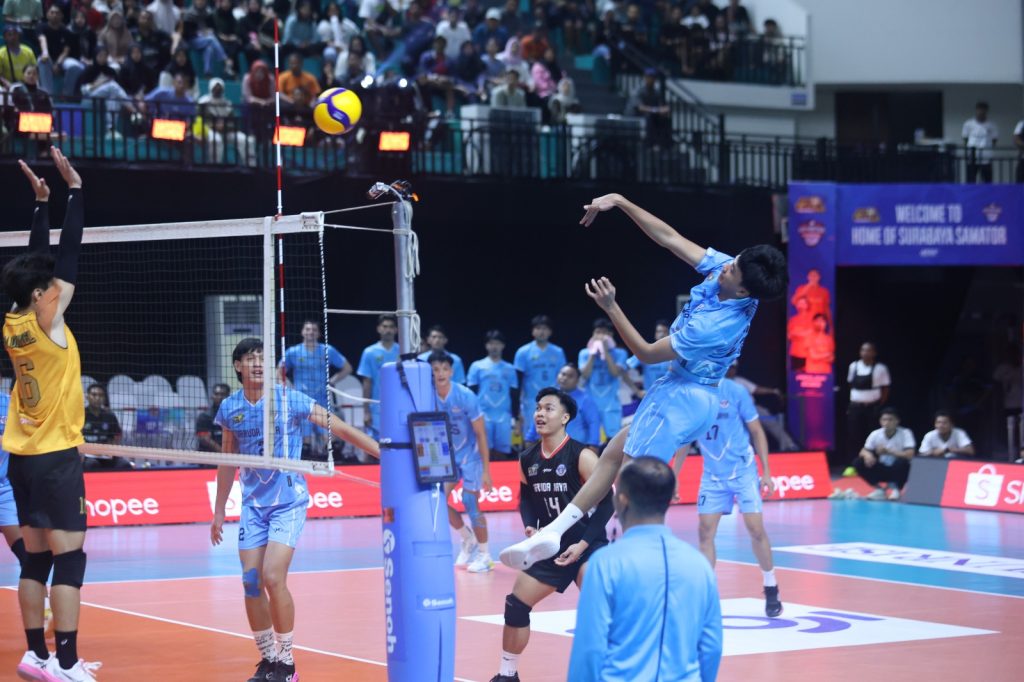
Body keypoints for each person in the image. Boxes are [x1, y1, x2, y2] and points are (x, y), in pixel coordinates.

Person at [501, 192, 787, 570]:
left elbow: (648, 353)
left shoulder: (716, 326)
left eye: (732, 271)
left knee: (632, 487)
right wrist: (620, 201)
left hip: (685, 398)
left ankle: (645, 565)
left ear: (744, 290)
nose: (725, 268)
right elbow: (670, 238)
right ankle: (555, 531)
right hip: (681, 390)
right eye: (732, 262)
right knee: (612, 455)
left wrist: (611, 307)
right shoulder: (732, 272)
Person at [210, 338, 379, 682]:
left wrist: (383, 453)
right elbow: (227, 461)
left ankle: (286, 664)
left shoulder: (289, 398)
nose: (257, 363)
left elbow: (338, 426)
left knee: (273, 577)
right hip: (253, 506)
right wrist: (218, 511)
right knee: (251, 582)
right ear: (238, 366)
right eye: (250, 358)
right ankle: (268, 660)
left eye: (262, 357)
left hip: (288, 502)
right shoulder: (230, 408)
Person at [2, 148, 98, 680]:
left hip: (21, 459)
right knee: (70, 560)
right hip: (56, 457)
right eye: (51, 289)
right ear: (43, 297)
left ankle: (35, 655)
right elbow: (67, 257)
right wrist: (75, 192)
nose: (58, 288)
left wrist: (41, 204)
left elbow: (35, 266)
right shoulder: (50, 322)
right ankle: (65, 662)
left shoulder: (13, 321)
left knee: (36, 560)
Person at [489, 388, 613, 682]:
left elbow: (608, 502)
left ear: (565, 417)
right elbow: (525, 498)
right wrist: (530, 526)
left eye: (548, 408)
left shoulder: (582, 455)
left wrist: (583, 544)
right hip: (549, 547)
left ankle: (614, 672)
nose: (540, 414)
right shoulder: (527, 458)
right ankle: (507, 674)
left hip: (587, 544)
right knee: (516, 605)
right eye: (538, 408)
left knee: (602, 610)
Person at [567, 457, 723, 681]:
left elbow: (590, 648)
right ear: (669, 499)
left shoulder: (605, 564)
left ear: (622, 500)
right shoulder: (699, 565)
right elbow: (711, 647)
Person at [691, 375, 782, 617]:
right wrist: (675, 476)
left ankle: (771, 586)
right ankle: (707, 595)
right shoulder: (691, 392)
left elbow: (756, 430)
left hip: (743, 470)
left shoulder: (735, 391)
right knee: (705, 532)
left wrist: (767, 472)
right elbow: (684, 439)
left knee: (755, 529)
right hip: (712, 474)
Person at [430, 351, 494, 573]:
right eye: (435, 369)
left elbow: (481, 434)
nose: (440, 373)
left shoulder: (465, 396)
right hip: (445, 456)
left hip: (470, 455)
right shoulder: (427, 396)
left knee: (470, 502)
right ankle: (467, 537)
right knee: (436, 500)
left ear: (451, 371)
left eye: (444, 369)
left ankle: (485, 555)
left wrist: (486, 471)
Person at [280, 319, 351, 458]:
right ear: (302, 332)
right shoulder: (293, 352)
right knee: (304, 445)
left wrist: (332, 381)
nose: (310, 332)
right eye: (307, 329)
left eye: (314, 330)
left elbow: (347, 368)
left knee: (331, 443)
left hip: (322, 400)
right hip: (301, 401)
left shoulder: (327, 350)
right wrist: (288, 387)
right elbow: (279, 371)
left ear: (318, 333)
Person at [514, 315, 567, 443]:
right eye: (538, 328)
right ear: (533, 331)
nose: (542, 332)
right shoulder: (523, 352)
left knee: (554, 438)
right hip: (530, 403)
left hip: (554, 403)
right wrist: (517, 410)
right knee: (530, 440)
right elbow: (517, 382)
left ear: (550, 332)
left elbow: (563, 379)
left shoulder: (558, 352)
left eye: (545, 328)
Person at [467, 331, 519, 460]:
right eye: (491, 343)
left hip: (504, 416)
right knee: (484, 450)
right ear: (486, 345)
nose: (494, 347)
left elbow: (514, 395)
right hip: (483, 415)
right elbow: (471, 393)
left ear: (503, 345)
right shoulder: (477, 366)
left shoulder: (510, 368)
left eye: (497, 343)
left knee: (502, 452)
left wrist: (516, 417)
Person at [578, 318, 630, 444]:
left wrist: (605, 352)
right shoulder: (584, 353)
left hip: (611, 404)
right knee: (590, 441)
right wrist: (592, 353)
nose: (601, 336)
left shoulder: (620, 353)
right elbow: (584, 375)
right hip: (591, 403)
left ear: (611, 335)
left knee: (613, 441)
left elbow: (615, 373)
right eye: (598, 332)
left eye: (605, 333)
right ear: (593, 334)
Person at [852, 407, 914, 501]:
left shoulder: (905, 433)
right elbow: (863, 451)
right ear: (880, 421)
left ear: (897, 421)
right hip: (882, 467)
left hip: (899, 469)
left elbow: (910, 454)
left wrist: (890, 452)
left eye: (890, 420)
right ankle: (879, 490)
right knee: (858, 462)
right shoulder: (875, 434)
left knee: (903, 462)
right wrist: (868, 455)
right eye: (884, 420)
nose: (887, 422)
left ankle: (896, 489)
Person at [845, 341, 890, 467]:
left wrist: (879, 404)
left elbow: (885, 388)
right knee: (854, 435)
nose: (865, 353)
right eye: (863, 350)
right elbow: (850, 384)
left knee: (873, 435)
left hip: (873, 407)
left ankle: (874, 463)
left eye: (869, 350)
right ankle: (854, 464)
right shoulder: (853, 366)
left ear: (874, 353)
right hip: (856, 407)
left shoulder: (880, 368)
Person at [356, 314, 399, 438]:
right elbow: (367, 383)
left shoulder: (403, 351)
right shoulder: (369, 352)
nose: (388, 330)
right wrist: (366, 411)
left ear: (396, 330)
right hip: (377, 408)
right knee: (375, 445)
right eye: (385, 326)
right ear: (378, 329)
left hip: (399, 405)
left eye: (391, 327)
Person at [555, 364, 601, 450]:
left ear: (577, 380)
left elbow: (593, 423)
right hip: (552, 448)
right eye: (563, 374)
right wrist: (530, 438)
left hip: (577, 449)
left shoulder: (585, 400)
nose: (565, 378)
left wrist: (593, 445)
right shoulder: (549, 397)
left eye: (570, 376)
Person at [81, 383, 125, 470]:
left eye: (101, 395)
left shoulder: (109, 415)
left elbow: (116, 435)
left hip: (105, 453)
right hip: (87, 454)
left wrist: (111, 449)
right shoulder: (81, 415)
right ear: (87, 397)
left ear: (104, 398)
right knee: (92, 464)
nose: (97, 398)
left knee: (123, 464)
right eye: (94, 395)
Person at [625, 319, 671, 397]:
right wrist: (637, 391)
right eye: (659, 331)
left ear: (670, 334)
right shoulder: (646, 352)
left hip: (670, 398)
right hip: (650, 398)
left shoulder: (675, 354)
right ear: (655, 334)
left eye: (665, 331)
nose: (662, 334)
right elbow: (622, 369)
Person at [962, 101, 998, 183]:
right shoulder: (968, 124)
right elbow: (965, 138)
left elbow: (994, 140)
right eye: (979, 109)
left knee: (987, 180)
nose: (981, 112)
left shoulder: (991, 125)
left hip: (986, 158)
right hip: (972, 157)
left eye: (983, 110)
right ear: (976, 110)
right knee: (971, 180)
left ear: (986, 111)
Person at [195, 383, 230, 452]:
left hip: (231, 454)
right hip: (210, 455)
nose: (219, 397)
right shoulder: (205, 416)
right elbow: (204, 439)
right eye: (216, 394)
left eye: (223, 394)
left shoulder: (235, 415)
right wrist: (223, 452)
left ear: (228, 397)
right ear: (212, 396)